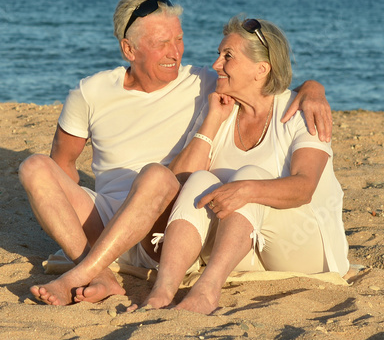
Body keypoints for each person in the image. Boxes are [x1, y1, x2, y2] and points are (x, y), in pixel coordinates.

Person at [20, 0, 332, 306]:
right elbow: (63, 166)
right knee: (34, 167)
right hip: (105, 220)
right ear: (129, 49)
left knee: (155, 175)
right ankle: (98, 272)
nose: (175, 53)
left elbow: (260, 80)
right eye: (161, 43)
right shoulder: (90, 92)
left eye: (179, 39)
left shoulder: (205, 82)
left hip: (163, 224)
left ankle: (80, 274)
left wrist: (312, 88)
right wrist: (68, 225)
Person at [129, 16, 349, 315]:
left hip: (301, 252)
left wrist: (245, 188)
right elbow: (180, 181)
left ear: (262, 68)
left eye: (227, 57)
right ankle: (163, 291)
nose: (216, 64)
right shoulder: (223, 109)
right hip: (237, 251)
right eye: (219, 55)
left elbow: (304, 187)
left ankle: (206, 291)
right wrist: (211, 122)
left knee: (248, 179)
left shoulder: (299, 111)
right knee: (201, 181)